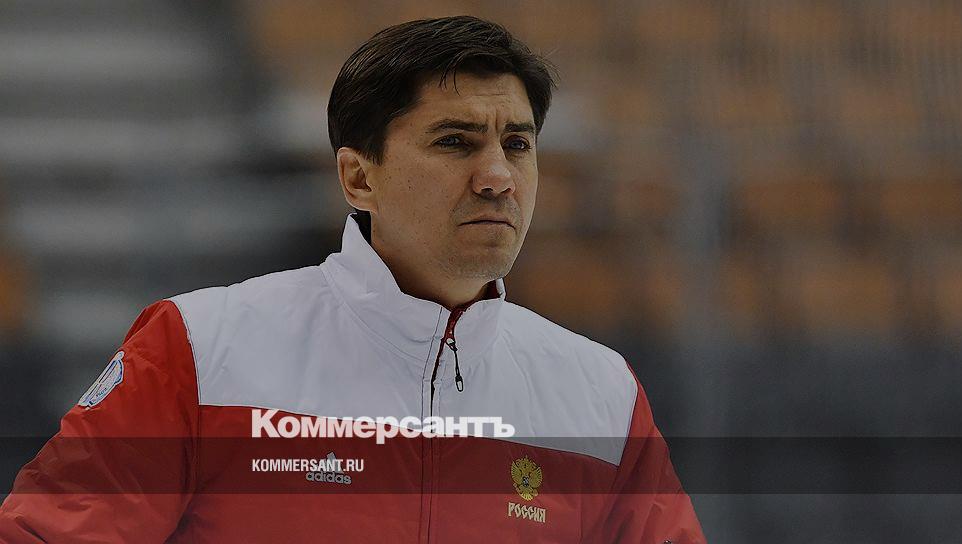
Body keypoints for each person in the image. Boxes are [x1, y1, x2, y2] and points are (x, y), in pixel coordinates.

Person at [0, 16, 705, 543]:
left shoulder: (600, 393)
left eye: (517, 144)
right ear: (358, 177)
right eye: (455, 142)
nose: (497, 177)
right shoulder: (200, 349)